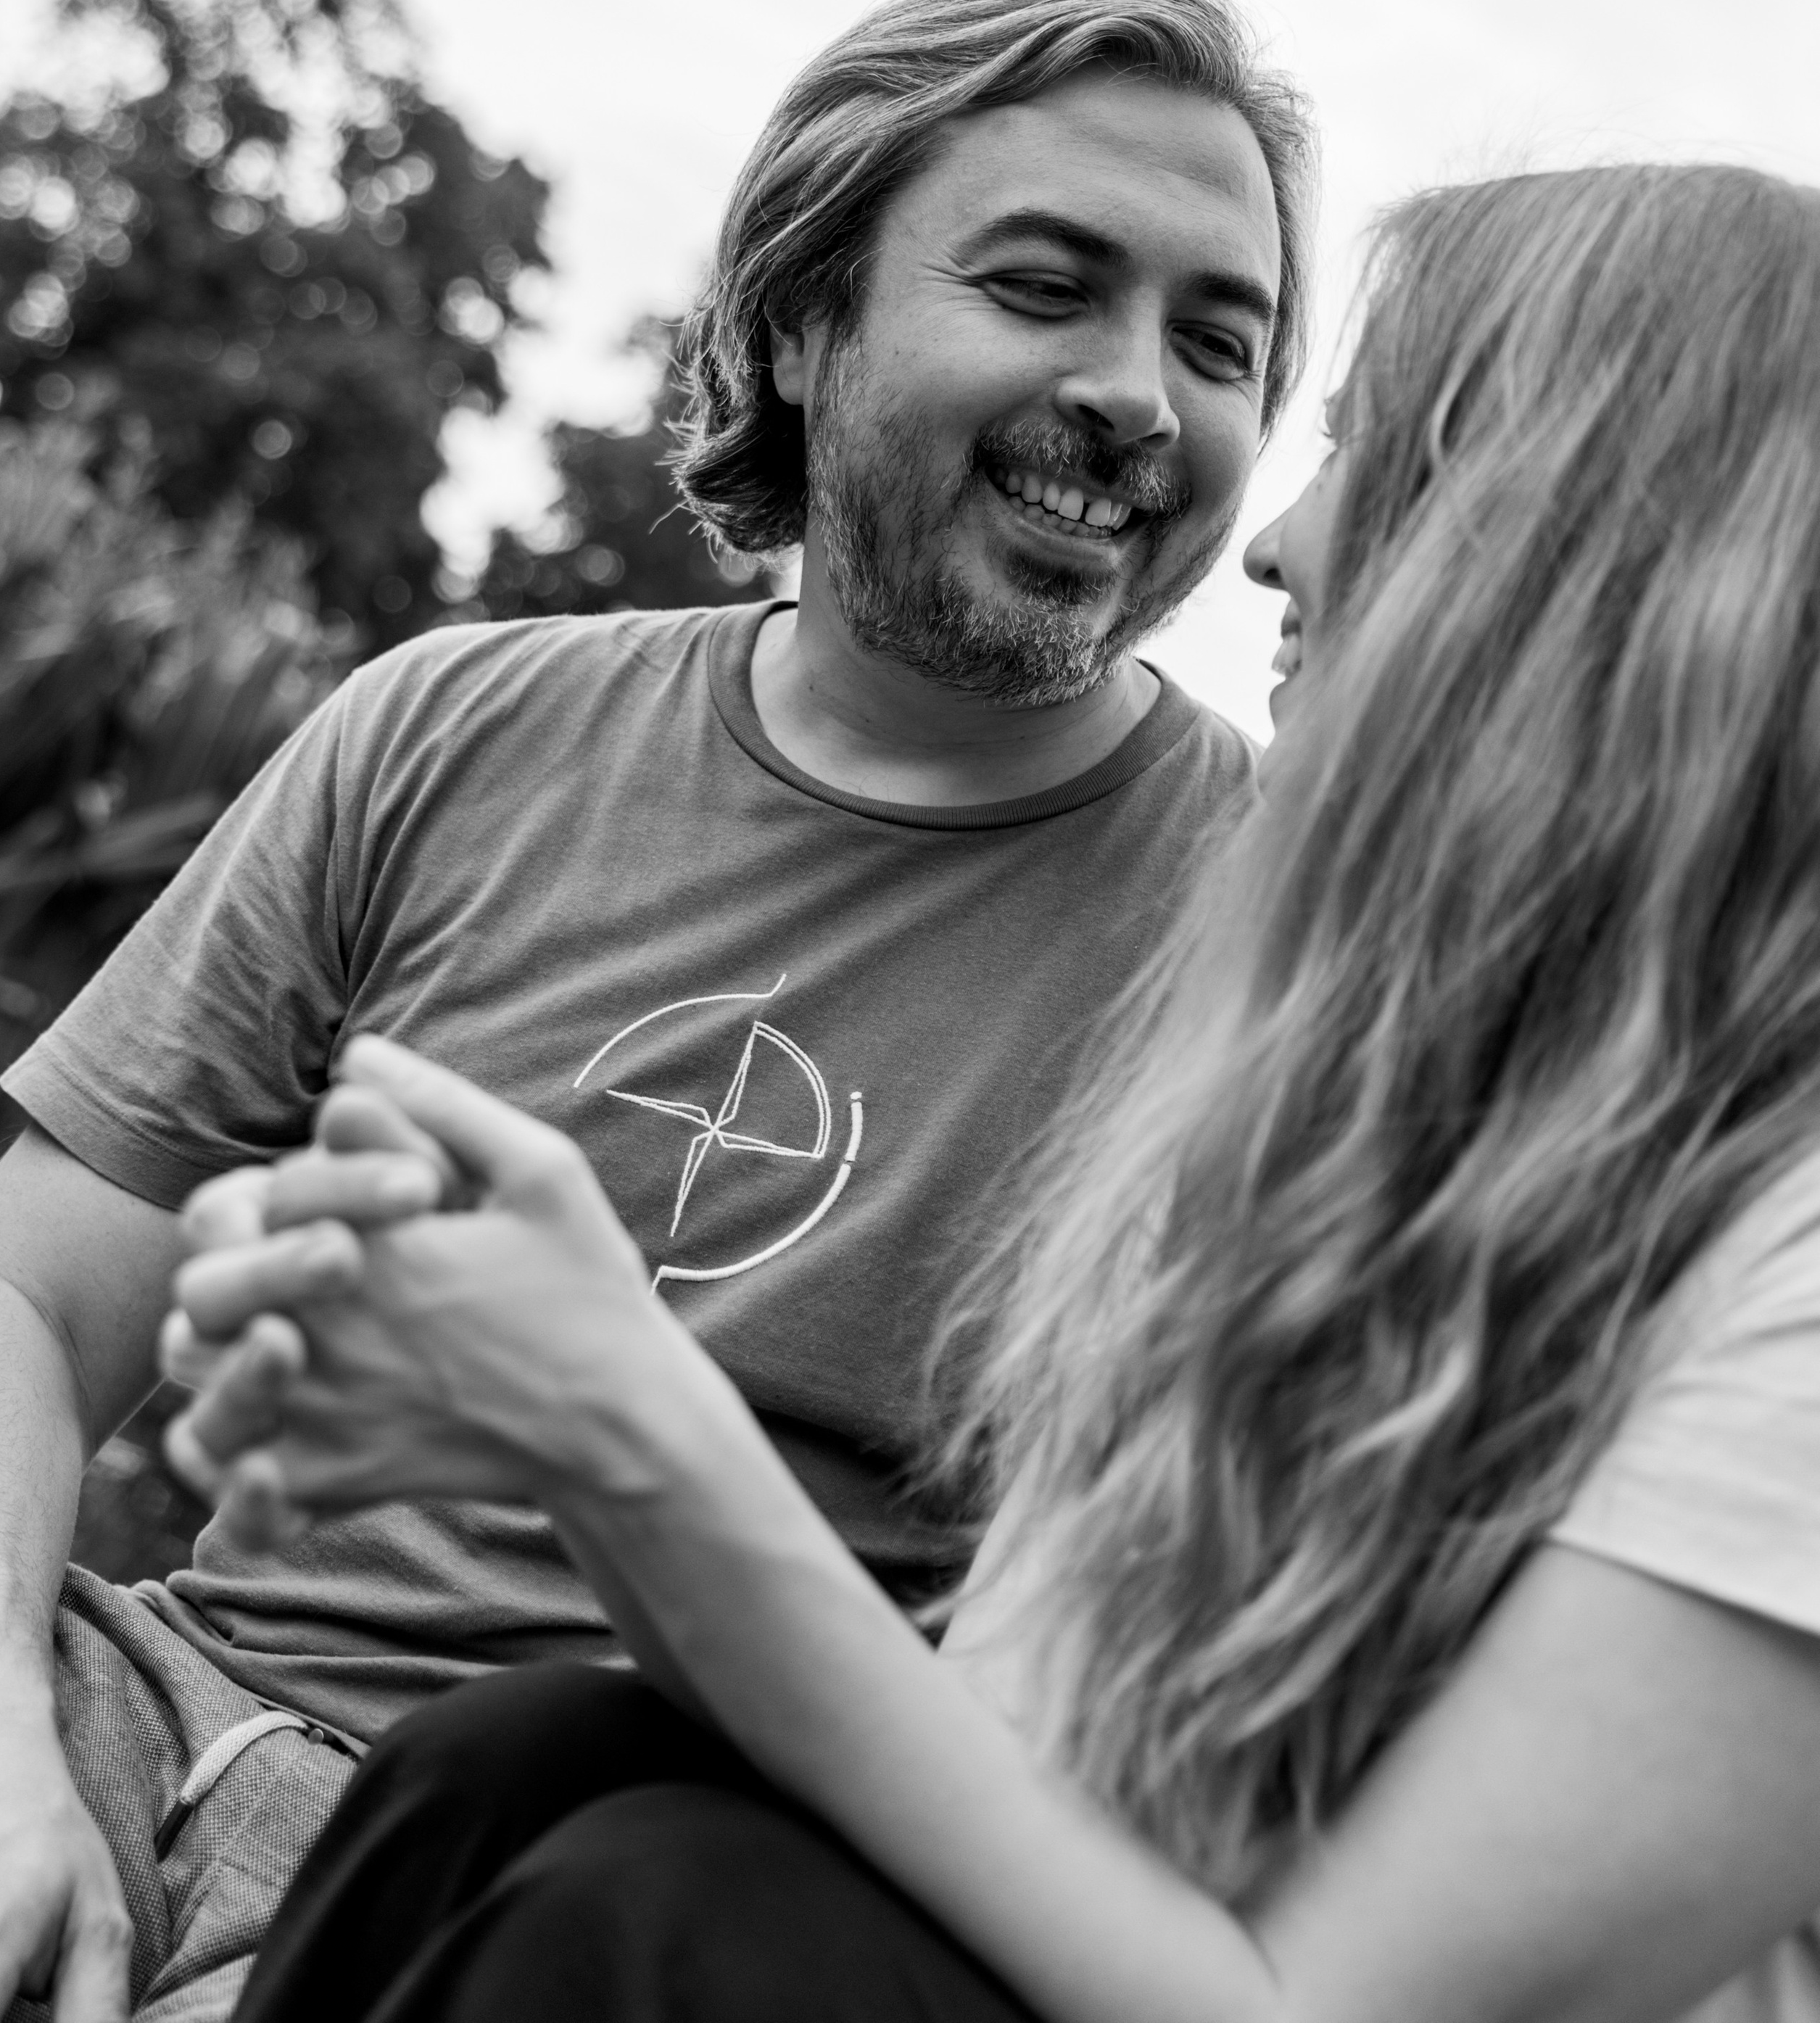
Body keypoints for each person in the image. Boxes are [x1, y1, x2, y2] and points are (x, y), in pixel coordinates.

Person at [172, 157, 1820, 2023]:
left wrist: (632, 1434)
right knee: (519, 1765)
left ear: (1571, 559)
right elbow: (1009, 1756)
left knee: (668, 1914)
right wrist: (554, 1417)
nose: (1274, 537)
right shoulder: (1342, 1107)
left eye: (1363, 440)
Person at [0, 0, 1315, 2023]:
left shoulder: (1293, 939)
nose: (1141, 389)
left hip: (634, 1877)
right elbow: (25, 1303)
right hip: (151, 1698)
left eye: (1219, 339)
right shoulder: (447, 727)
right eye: (1049, 286)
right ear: (800, 319)